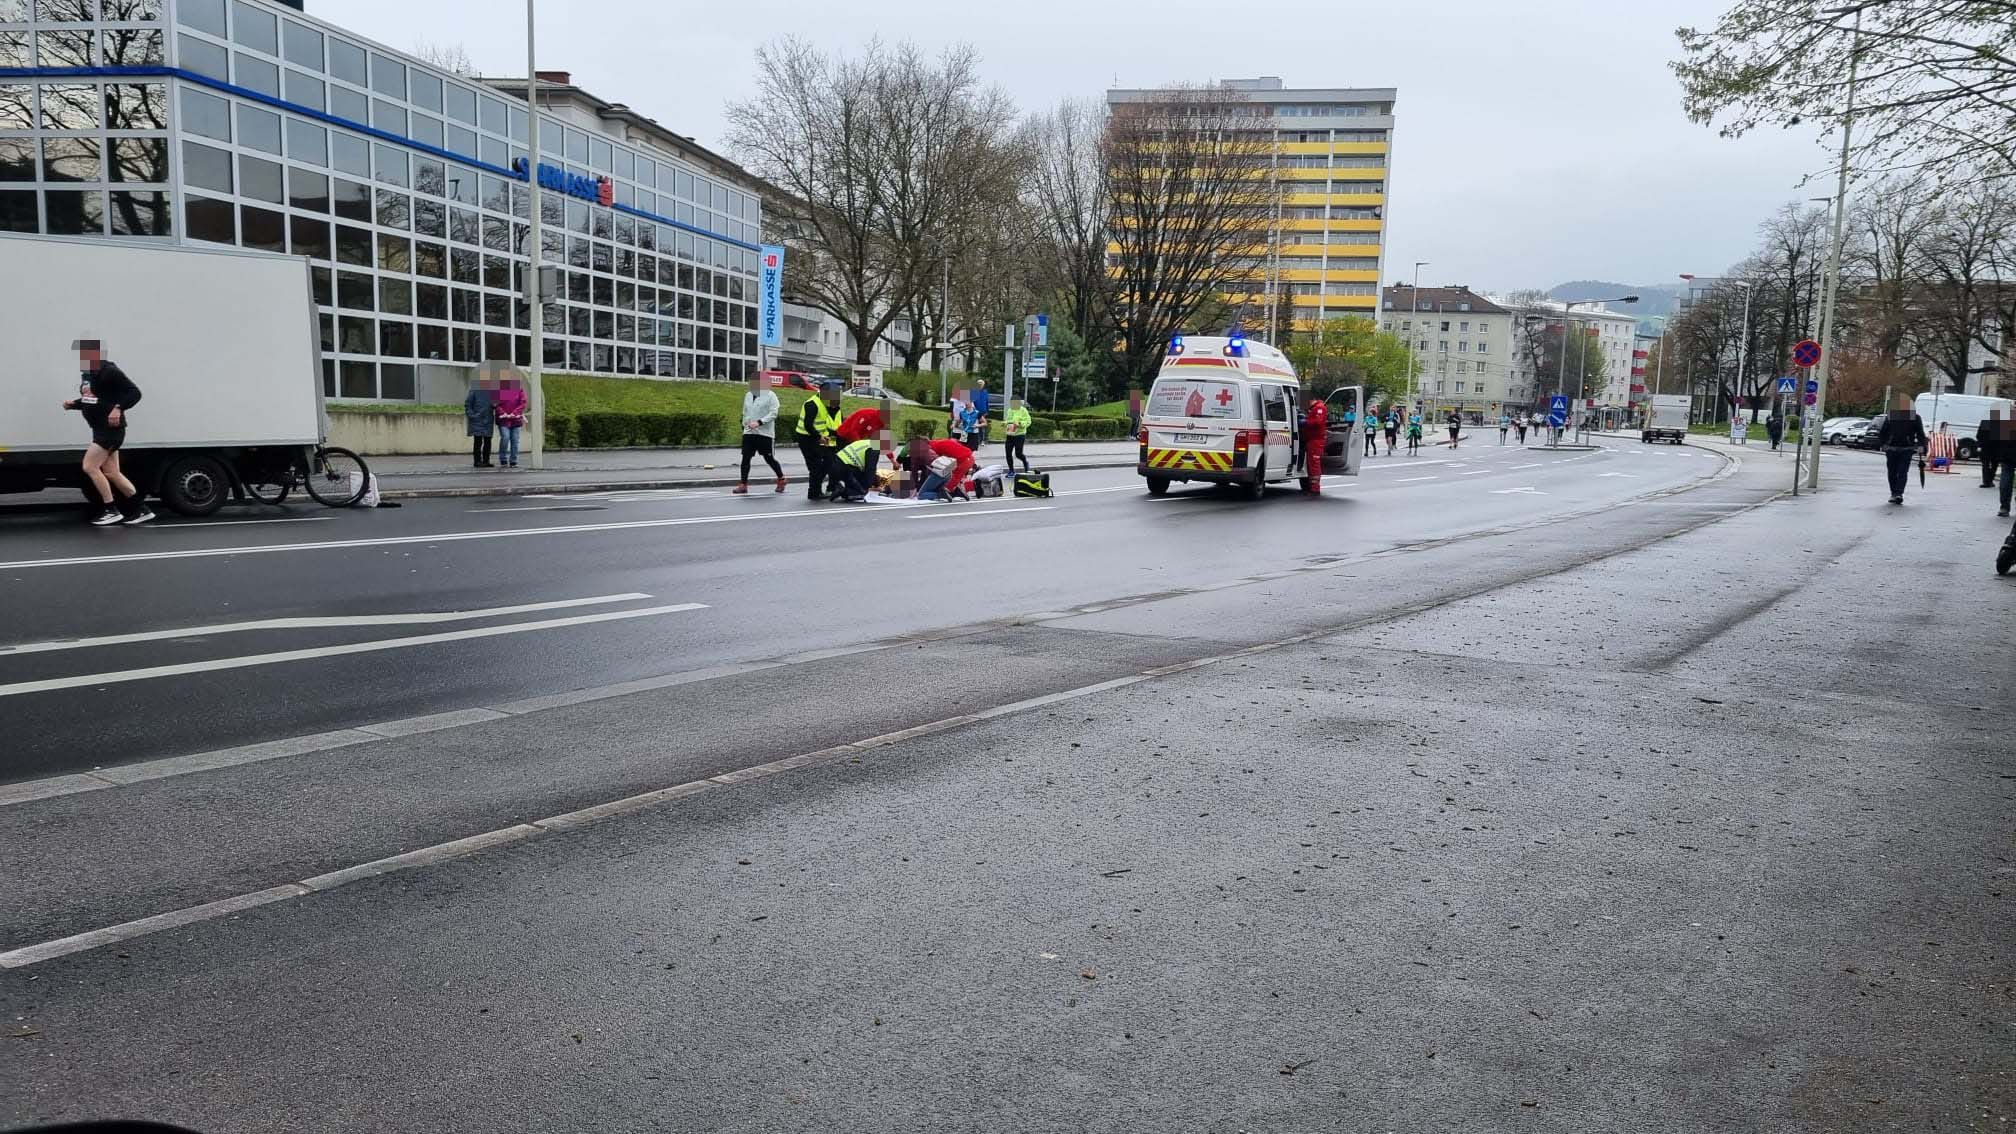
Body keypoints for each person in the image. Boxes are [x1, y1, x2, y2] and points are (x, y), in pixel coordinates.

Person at [61, 340, 152, 526]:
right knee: (112, 472)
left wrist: (118, 408)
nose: (81, 358)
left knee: (90, 467)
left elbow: (135, 393)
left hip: (110, 431)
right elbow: (95, 399)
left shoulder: (110, 372)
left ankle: (111, 510)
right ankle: (142, 510)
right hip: (100, 428)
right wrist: (74, 404)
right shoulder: (88, 373)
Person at [735, 371, 785, 495]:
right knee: (745, 458)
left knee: (768, 458)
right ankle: (743, 484)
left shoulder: (771, 395)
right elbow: (745, 411)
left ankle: (781, 479)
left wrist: (759, 422)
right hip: (749, 432)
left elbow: (774, 413)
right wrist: (744, 424)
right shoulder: (748, 395)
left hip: (764, 433)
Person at [794, 381, 846, 500]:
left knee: (831, 458)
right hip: (807, 438)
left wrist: (837, 442)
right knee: (815, 466)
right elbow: (808, 425)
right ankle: (814, 492)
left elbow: (835, 423)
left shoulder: (830, 405)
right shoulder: (812, 404)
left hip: (823, 437)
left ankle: (826, 487)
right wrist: (819, 437)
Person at [1874, 394, 1928, 505]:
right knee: (1892, 472)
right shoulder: (1891, 417)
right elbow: (1883, 432)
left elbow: (1920, 434)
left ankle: (1898, 493)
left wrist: (1922, 445)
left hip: (1907, 449)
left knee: (1902, 472)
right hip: (1891, 448)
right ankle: (1894, 492)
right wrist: (1883, 444)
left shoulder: (1915, 418)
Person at [917, 436, 975, 501]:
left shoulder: (931, 448)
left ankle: (947, 493)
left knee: (944, 488)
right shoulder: (937, 443)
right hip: (968, 458)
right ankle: (956, 492)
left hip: (962, 460)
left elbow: (934, 463)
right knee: (949, 484)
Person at [827, 437, 882, 502]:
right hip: (846, 468)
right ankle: (843, 491)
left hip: (836, 464)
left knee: (857, 485)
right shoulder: (874, 448)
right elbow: (870, 469)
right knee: (862, 492)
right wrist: (868, 487)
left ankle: (839, 488)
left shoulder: (866, 442)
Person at [1983, 413, 2014, 517]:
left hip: (2007, 453)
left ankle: (2004, 507)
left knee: (2006, 478)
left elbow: (1997, 438)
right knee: (2006, 477)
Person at [494, 378, 527, 468]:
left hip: (515, 420)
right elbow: (495, 404)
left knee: (515, 440)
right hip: (503, 420)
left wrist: (514, 413)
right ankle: (503, 459)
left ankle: (513, 460)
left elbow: (523, 403)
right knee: (505, 437)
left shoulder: (519, 390)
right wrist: (503, 413)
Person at [464, 375, 496, 467]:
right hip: (477, 420)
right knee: (478, 441)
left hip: (488, 419)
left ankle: (486, 461)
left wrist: (495, 405)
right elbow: (468, 404)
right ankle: (477, 461)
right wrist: (472, 415)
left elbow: (496, 404)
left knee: (487, 441)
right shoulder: (474, 390)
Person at [1002, 397, 1033, 472]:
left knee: (1018, 454)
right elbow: (1009, 420)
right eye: (1012, 403)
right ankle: (1011, 470)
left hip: (1020, 435)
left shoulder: (1023, 410)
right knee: (1008, 453)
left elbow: (1028, 421)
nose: (1013, 405)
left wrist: (1020, 424)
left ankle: (1025, 462)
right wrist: (1005, 423)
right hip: (1010, 433)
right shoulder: (1010, 410)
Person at [969, 378, 991, 450]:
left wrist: (987, 410)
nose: (980, 385)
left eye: (981, 384)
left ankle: (982, 440)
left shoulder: (985, 392)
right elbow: (971, 402)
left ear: (983, 385)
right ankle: (975, 440)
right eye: (979, 384)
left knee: (982, 427)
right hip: (975, 411)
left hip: (983, 411)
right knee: (975, 425)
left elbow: (987, 401)